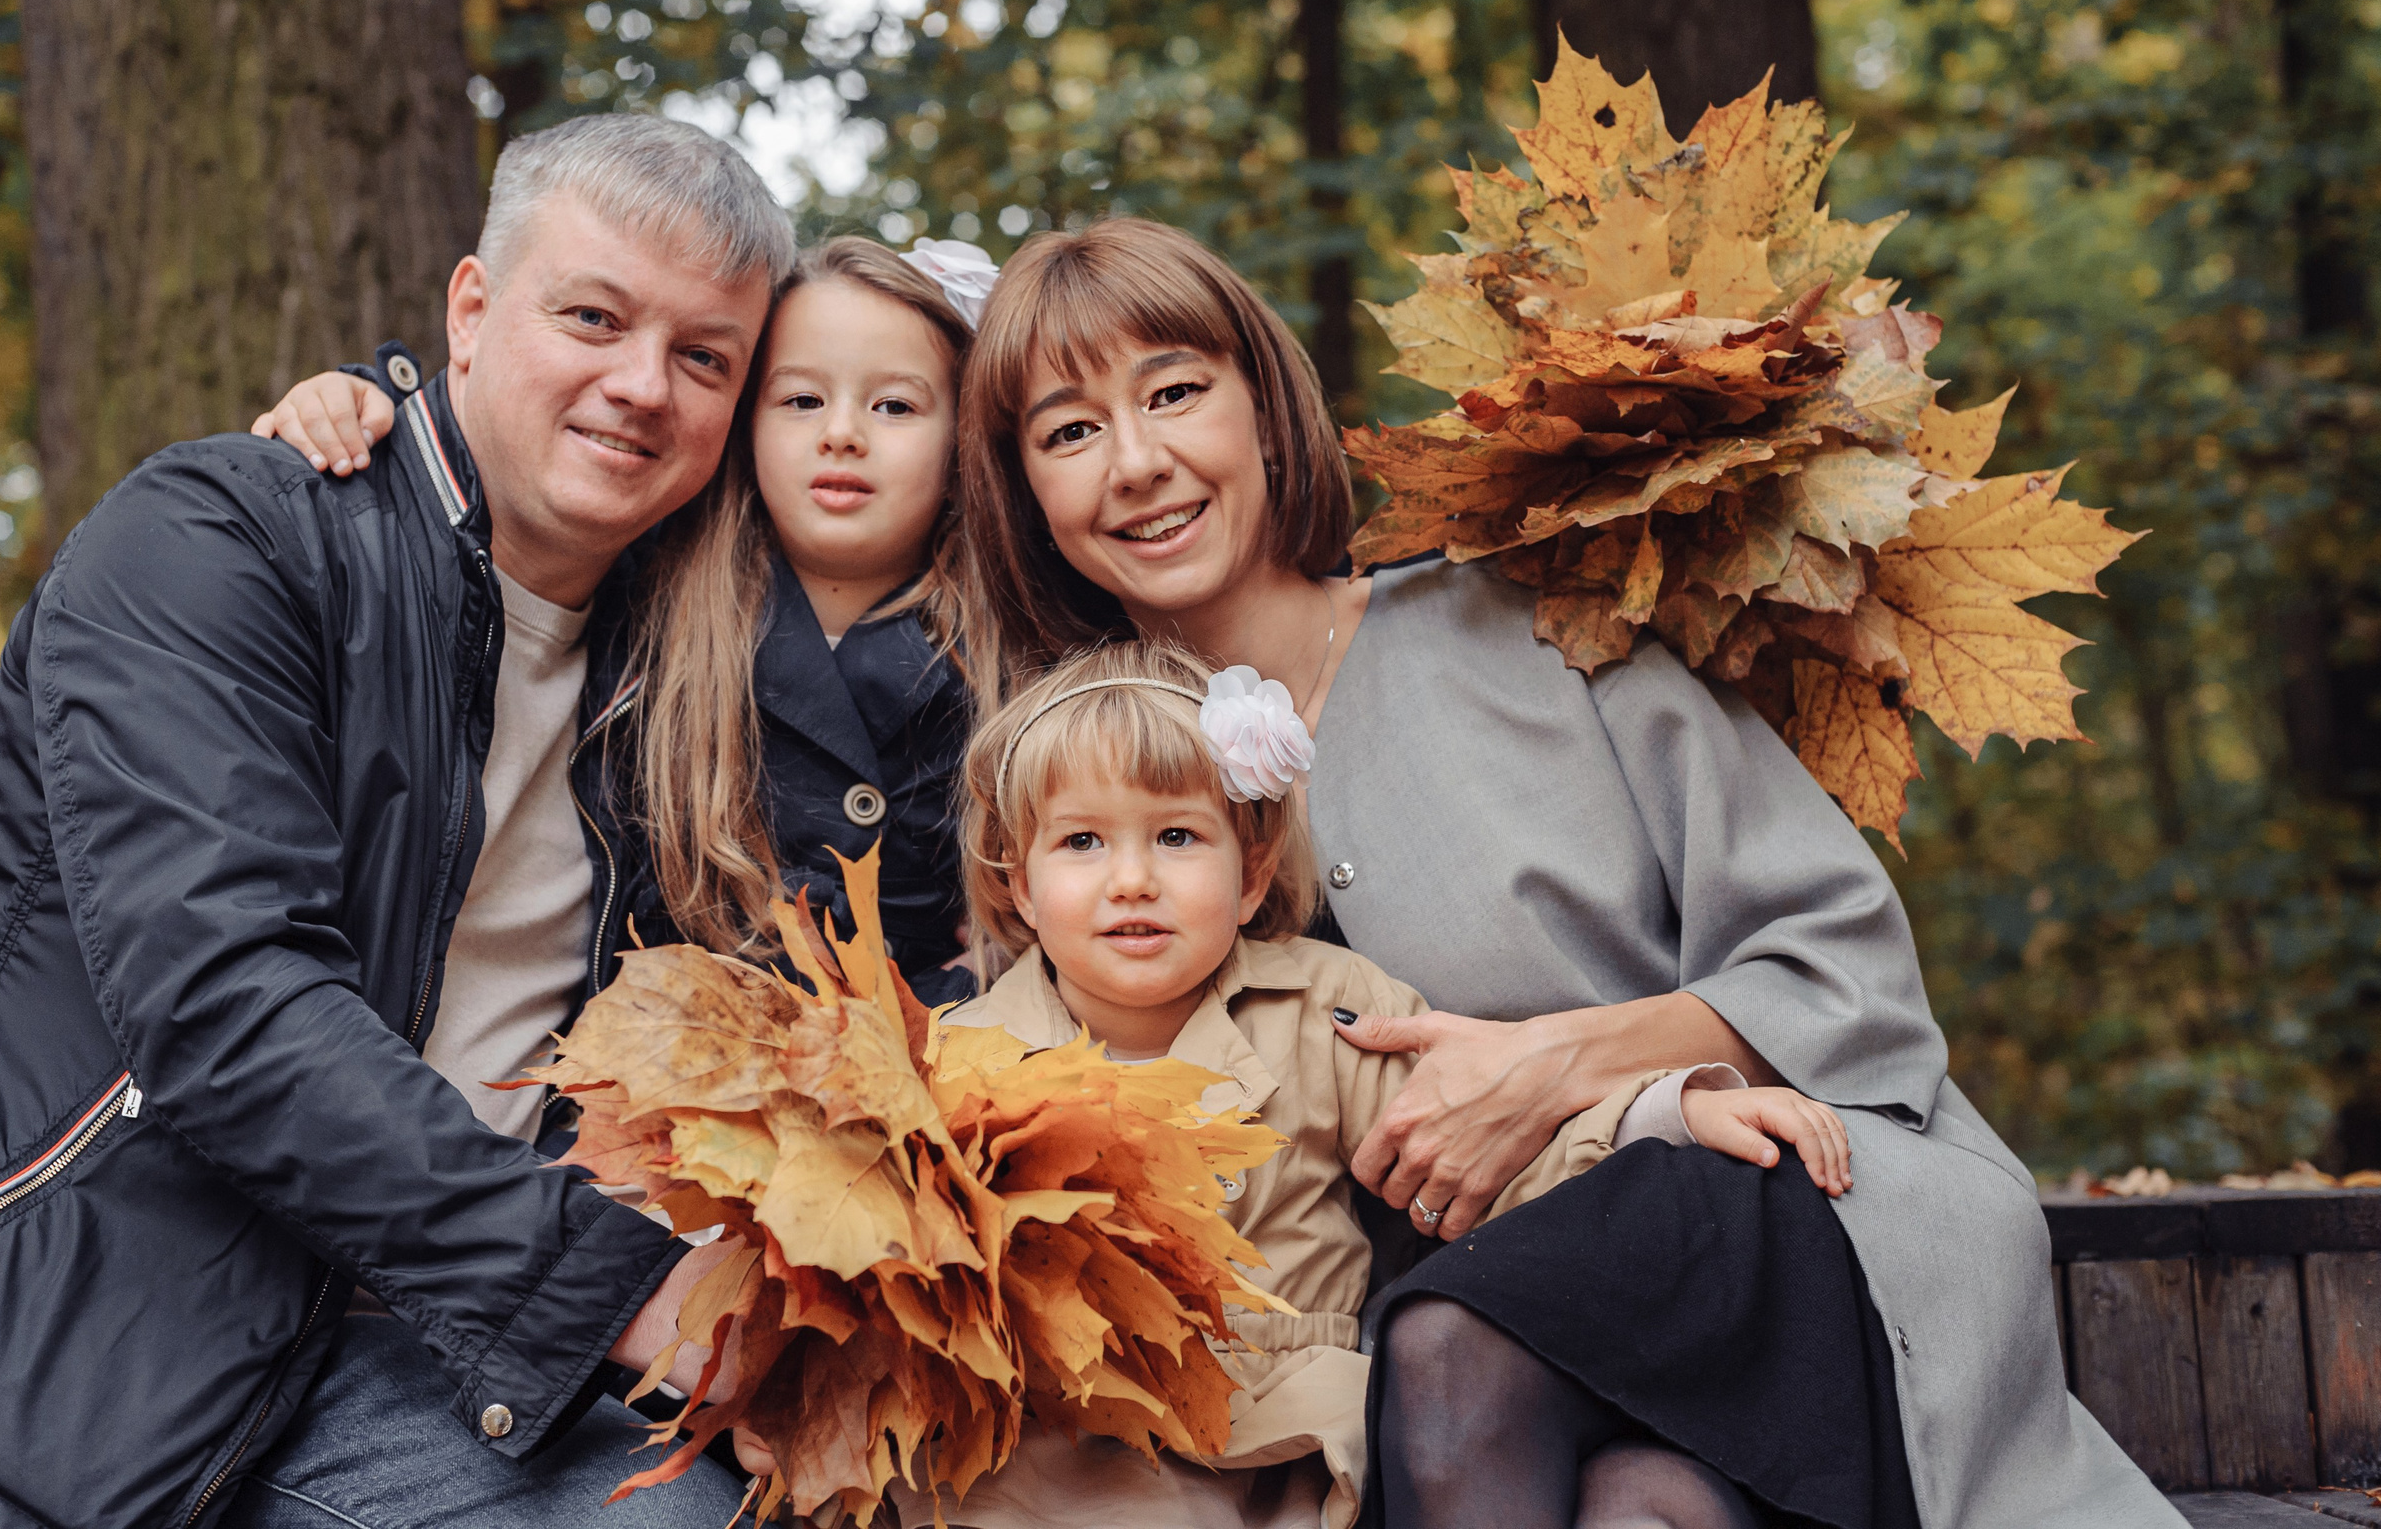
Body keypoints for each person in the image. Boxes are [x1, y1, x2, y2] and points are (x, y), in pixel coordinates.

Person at [951, 217, 2185, 1527]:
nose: (1136, 463)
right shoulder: (1093, 793)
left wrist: (1566, 1064)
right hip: (1494, 1363)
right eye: (1069, 431)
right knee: (1633, 1506)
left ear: (1265, 410)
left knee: (1450, 1350)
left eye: (1175, 393)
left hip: (1785, 1207)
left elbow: (1851, 973)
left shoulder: (1534, 622)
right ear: (1025, 490)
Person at [0, 115, 790, 1529]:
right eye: (592, 316)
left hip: (404, 1359)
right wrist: (632, 1293)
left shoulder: (688, 679)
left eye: (705, 357)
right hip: (13, 1333)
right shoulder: (219, 539)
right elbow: (225, 1005)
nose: (642, 385)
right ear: (469, 310)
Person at [856, 640, 1852, 1529]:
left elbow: (1509, 1154)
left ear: (1248, 875)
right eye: (1082, 842)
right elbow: (877, 1278)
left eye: (1175, 837)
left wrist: (1671, 1111)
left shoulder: (1324, 1009)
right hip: (1056, 1450)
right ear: (1018, 884)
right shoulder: (959, 1063)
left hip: (1292, 1441)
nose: (1131, 880)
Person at [254, 236, 1002, 1002]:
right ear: (745, 424)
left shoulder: (1005, 633)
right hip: (672, 1071)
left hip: (932, 1066)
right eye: (801, 400)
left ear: (964, 438)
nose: (842, 432)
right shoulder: (657, 579)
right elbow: (492, 488)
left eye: (896, 406)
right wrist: (365, 397)